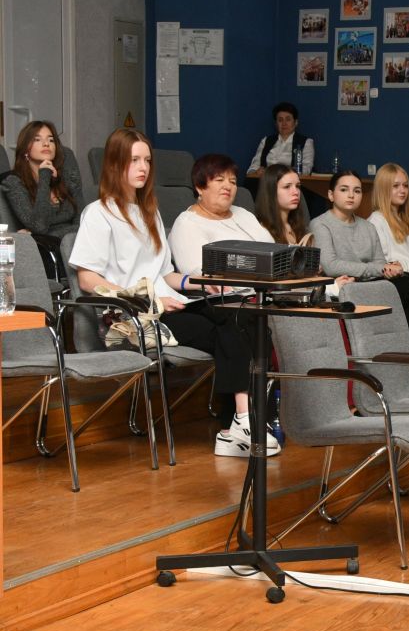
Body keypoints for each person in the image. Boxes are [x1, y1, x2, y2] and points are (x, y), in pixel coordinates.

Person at [68, 129, 278, 458]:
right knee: (229, 327)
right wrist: (149, 299)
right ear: (115, 164)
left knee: (240, 315)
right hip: (133, 316)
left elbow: (167, 274)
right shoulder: (98, 213)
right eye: (134, 160)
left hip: (169, 304)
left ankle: (241, 422)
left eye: (147, 160)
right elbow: (87, 280)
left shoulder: (148, 211)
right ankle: (241, 422)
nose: (143, 167)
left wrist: (202, 283)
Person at [309, 169, 409, 343]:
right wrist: (380, 269)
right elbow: (331, 265)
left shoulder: (368, 227)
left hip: (369, 284)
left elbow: (380, 262)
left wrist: (386, 270)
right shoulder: (320, 224)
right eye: (344, 190)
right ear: (331, 195)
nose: (351, 195)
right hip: (344, 287)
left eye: (357, 191)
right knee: (408, 287)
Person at [1, 120, 84, 278]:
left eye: (51, 140)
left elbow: (82, 222)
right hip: (43, 254)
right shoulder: (13, 183)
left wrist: (40, 233)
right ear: (26, 149)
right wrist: (44, 176)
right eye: (37, 139)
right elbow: (39, 226)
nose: (46, 144)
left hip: (75, 248)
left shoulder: (65, 179)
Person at [168, 153, 273, 277]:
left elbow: (272, 249)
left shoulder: (244, 214)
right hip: (232, 289)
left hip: (273, 284)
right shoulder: (187, 224)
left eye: (233, 181)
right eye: (219, 180)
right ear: (200, 187)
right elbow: (199, 272)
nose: (228, 186)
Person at [247, 101, 315, 175]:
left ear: (296, 122)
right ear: (276, 124)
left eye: (288, 119)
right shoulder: (266, 141)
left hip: (290, 180)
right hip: (266, 180)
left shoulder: (306, 142)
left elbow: (306, 170)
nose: (284, 123)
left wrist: (284, 173)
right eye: (280, 120)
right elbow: (252, 168)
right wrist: (256, 171)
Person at [253, 163, 311, 246]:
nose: (296, 192)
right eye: (287, 187)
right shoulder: (262, 231)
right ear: (271, 191)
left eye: (297, 186)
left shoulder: (298, 227)